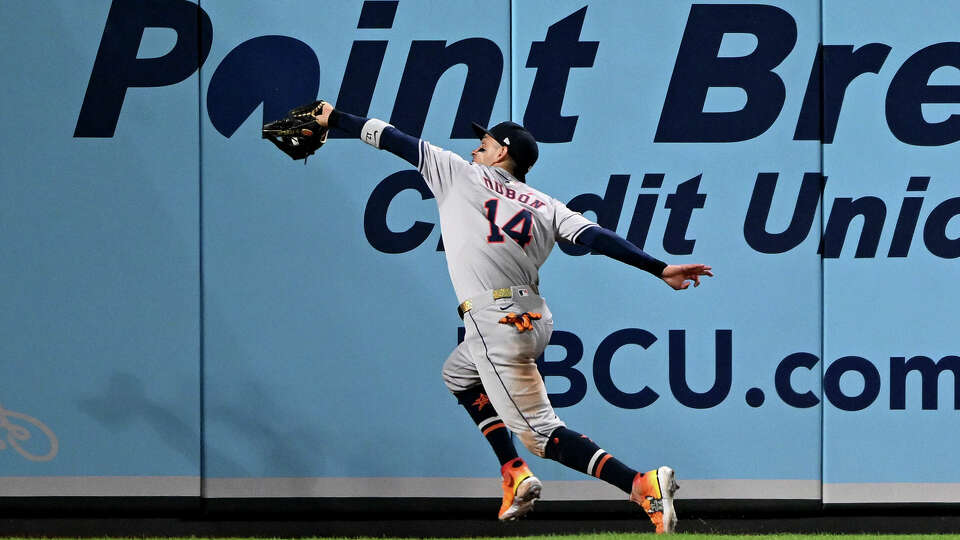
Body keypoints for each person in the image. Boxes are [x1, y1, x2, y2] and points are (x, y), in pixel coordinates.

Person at [311, 102, 712, 534]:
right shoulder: (544, 203)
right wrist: (658, 268)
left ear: (501, 152)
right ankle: (512, 472)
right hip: (532, 316)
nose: (474, 150)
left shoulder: (458, 173)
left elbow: (390, 136)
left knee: (540, 435)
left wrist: (332, 118)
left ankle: (639, 483)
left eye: (482, 144)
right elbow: (597, 238)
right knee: (458, 375)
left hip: (494, 321)